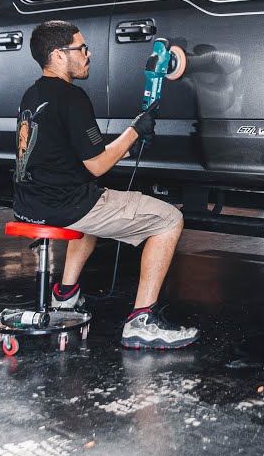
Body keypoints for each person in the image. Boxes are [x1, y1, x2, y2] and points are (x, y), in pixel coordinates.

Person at [12, 20, 198, 349]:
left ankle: (66, 295)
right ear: (57, 55)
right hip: (66, 206)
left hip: (29, 206)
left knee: (90, 209)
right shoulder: (72, 99)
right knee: (170, 219)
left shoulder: (32, 94)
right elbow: (97, 164)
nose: (88, 54)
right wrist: (136, 130)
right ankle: (142, 322)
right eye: (80, 48)